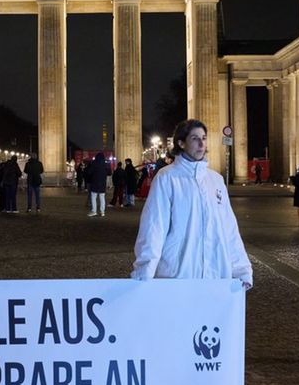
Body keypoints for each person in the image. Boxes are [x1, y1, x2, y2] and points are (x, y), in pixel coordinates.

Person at [131, 119, 252, 291]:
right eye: (195, 138)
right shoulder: (167, 178)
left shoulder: (216, 180)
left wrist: (242, 270)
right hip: (179, 273)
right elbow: (154, 226)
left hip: (215, 272)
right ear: (181, 143)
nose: (201, 143)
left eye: (204, 137)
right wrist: (144, 271)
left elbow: (229, 228)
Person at [85, 152, 109, 217]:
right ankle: (102, 212)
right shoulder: (106, 164)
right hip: (103, 184)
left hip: (95, 183)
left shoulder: (94, 163)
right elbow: (110, 173)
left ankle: (94, 211)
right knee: (102, 198)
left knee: (93, 197)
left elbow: (89, 172)